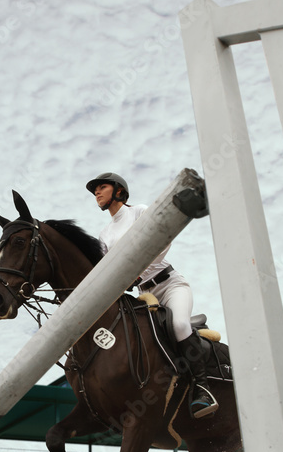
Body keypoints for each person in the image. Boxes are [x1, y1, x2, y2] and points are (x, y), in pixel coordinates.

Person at [86, 172, 217, 418]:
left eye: (102, 187)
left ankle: (202, 388)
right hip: (144, 294)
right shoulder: (104, 234)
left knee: (178, 324)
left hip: (170, 285)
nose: (97, 192)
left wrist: (136, 272)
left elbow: (161, 242)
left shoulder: (139, 212)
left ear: (119, 191)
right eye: (95, 190)